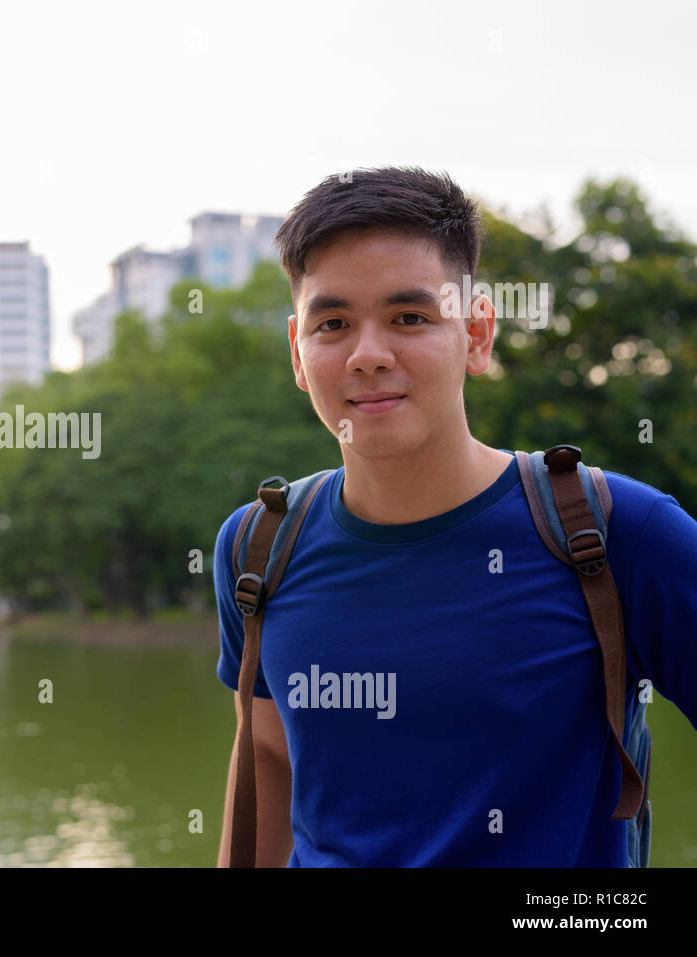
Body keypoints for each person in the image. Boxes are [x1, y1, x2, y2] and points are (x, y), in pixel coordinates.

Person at [214, 166, 697, 866]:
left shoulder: (619, 533)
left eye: (409, 317)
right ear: (298, 350)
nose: (368, 355)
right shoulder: (258, 546)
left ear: (475, 334)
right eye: (333, 323)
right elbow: (266, 756)